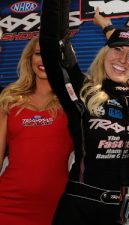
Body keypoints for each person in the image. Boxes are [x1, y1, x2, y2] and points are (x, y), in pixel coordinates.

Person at [39, 0, 129, 224]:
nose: (123, 60)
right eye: (117, 49)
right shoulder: (83, 90)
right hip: (80, 207)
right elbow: (54, 47)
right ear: (105, 53)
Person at [0, 36, 73, 225]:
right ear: (30, 58)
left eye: (52, 55)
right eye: (39, 54)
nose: (44, 60)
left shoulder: (73, 103)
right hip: (6, 203)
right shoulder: (9, 99)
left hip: (57, 204)